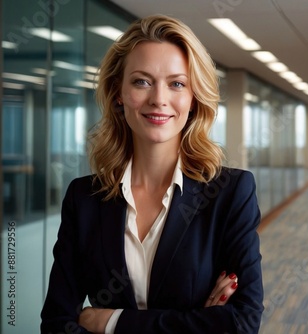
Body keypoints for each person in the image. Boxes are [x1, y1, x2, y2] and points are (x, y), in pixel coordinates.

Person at [41, 14, 264, 334]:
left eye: (177, 83)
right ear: (118, 92)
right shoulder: (84, 198)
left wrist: (109, 320)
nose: (159, 99)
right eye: (141, 81)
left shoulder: (230, 193)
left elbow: (241, 324)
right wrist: (196, 323)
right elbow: (56, 323)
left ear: (193, 97)